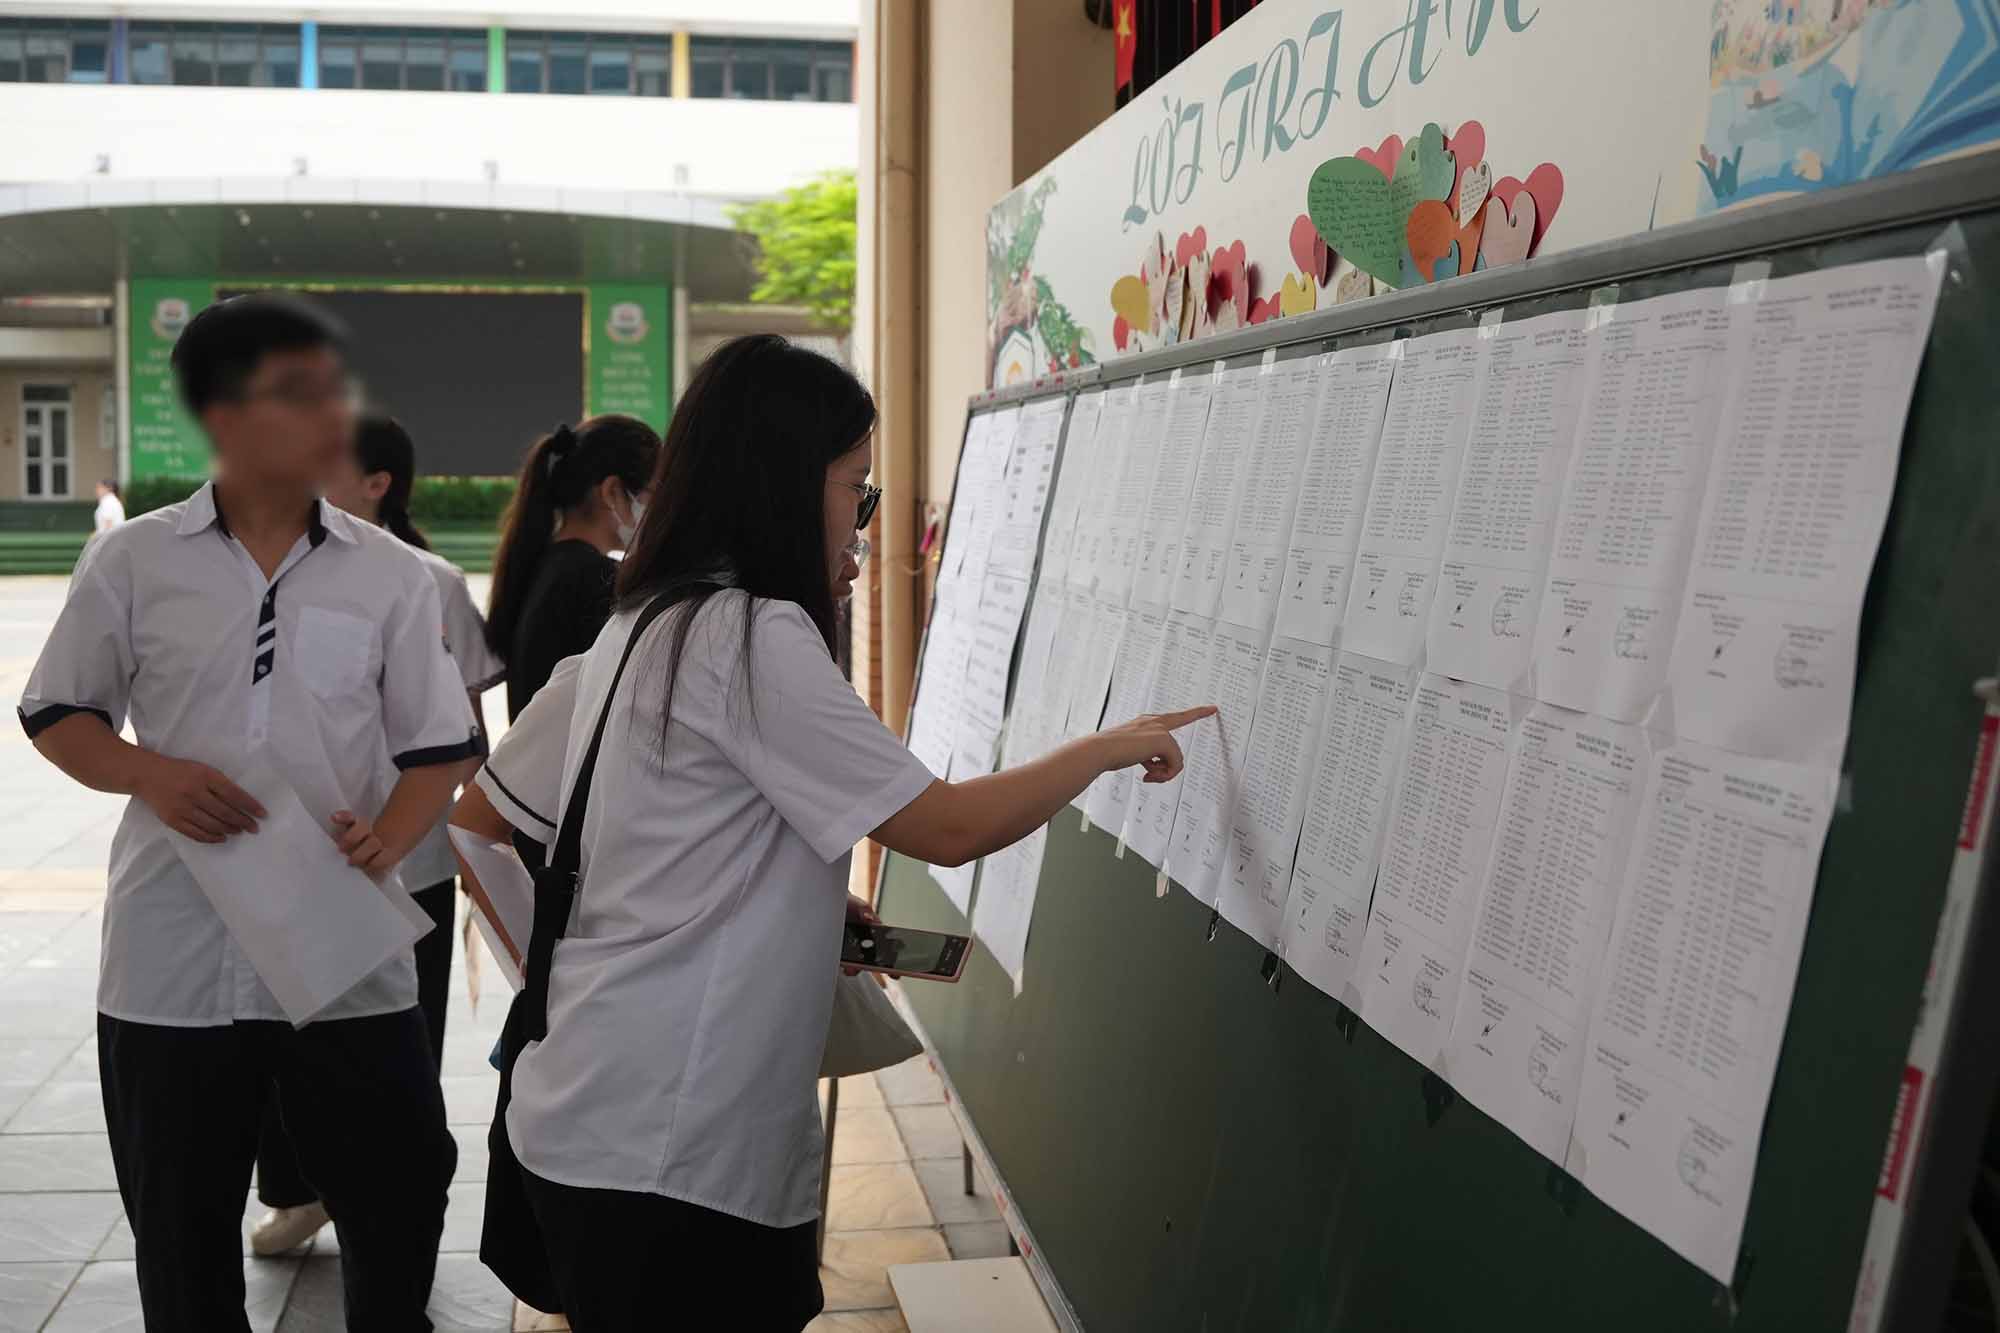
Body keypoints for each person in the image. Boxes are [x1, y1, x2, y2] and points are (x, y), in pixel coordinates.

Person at [447, 334, 1210, 1331]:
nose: (862, 520)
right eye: (854, 485)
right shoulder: (753, 636)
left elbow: (477, 822)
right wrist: (1105, 746)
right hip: (676, 1153)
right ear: (778, 484)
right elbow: (943, 825)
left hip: (585, 1112)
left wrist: (583, 966)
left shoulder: (647, 618)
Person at [19, 294, 479, 1331]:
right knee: (180, 1243)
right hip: (172, 961)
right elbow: (58, 713)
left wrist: (393, 835)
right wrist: (150, 774)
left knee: (398, 1207)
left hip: (345, 957)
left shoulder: (393, 576)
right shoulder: (135, 560)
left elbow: (440, 747)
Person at [247, 413, 506, 1257]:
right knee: (283, 1030)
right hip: (275, 860)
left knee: (395, 1045)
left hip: (405, 862)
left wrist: (473, 846)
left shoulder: (426, 579)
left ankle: (382, 1214)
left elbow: (466, 730)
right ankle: (294, 1188)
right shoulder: (259, 568)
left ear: (378, 483)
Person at [484, 414, 659, 722]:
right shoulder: (596, 581)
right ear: (612, 492)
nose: (662, 510)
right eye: (657, 493)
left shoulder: (542, 566)